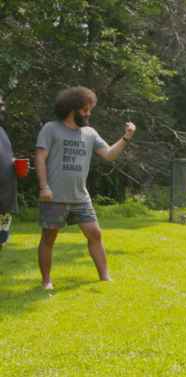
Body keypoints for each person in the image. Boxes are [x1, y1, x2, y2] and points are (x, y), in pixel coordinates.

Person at [36, 86, 136, 289]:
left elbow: (108, 154)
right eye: (85, 109)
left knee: (95, 234)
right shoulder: (51, 128)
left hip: (81, 197)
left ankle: (105, 277)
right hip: (55, 196)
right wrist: (44, 187)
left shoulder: (89, 133)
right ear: (73, 108)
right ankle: (46, 281)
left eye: (90, 109)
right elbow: (39, 157)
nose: (88, 114)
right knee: (49, 237)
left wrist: (126, 137)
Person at [0, 95, 18, 249]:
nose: (3, 108)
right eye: (0, 105)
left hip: (5, 195)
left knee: (1, 240)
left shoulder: (2, 132)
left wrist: (13, 162)